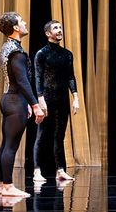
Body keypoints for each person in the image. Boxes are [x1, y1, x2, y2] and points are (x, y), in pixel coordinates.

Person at [0, 12, 46, 197]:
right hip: (15, 100)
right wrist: (34, 105)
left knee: (6, 145)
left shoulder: (7, 47)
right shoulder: (16, 51)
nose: (25, 23)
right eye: (22, 21)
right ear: (15, 28)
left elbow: (16, 81)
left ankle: (2, 185)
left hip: (10, 99)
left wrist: (25, 102)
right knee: (11, 146)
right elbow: (22, 80)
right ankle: (8, 186)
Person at [32, 20, 81, 183]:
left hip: (62, 100)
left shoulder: (67, 54)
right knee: (42, 135)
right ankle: (37, 171)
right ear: (48, 33)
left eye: (60, 27)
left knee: (59, 136)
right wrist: (40, 99)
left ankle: (60, 170)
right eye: (55, 28)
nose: (59, 30)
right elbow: (38, 77)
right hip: (47, 98)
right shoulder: (41, 54)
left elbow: (70, 76)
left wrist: (75, 97)